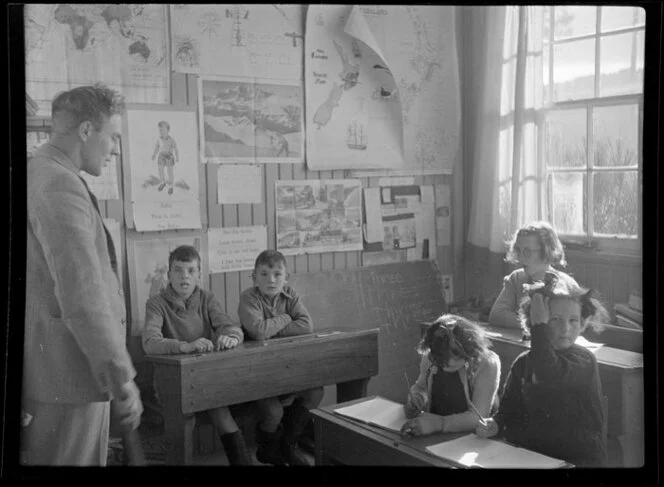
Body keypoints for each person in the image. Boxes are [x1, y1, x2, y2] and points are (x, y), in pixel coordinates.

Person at [23, 84, 143, 465]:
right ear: (87, 131)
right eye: (114, 138)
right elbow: (82, 294)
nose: (115, 150)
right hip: (69, 377)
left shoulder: (41, 170)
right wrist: (119, 376)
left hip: (57, 374)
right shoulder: (59, 183)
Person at [476, 272, 609, 467]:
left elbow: (549, 372)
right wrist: (494, 424)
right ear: (531, 324)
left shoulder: (584, 360)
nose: (565, 328)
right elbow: (507, 410)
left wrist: (541, 326)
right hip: (533, 457)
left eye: (573, 320)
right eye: (555, 320)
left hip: (577, 460)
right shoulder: (523, 363)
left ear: (582, 324)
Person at [142, 245, 251, 465]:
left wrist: (231, 337)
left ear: (199, 275)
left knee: (221, 412)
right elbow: (150, 343)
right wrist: (185, 346)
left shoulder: (206, 298)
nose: (184, 276)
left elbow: (230, 326)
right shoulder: (156, 304)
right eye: (178, 270)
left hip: (204, 378)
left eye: (191, 271)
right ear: (169, 274)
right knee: (185, 420)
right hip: (170, 382)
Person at [238, 250, 324, 466]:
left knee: (316, 391)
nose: (271, 280)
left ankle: (289, 444)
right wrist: (286, 318)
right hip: (257, 372)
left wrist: (273, 328)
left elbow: (307, 325)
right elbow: (257, 331)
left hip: (288, 368)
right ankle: (267, 451)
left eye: (277, 274)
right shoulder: (249, 297)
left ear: (286, 277)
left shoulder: (290, 295)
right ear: (254, 277)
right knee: (274, 410)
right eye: (264, 274)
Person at [400, 315, 501, 437]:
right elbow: (421, 387)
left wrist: (440, 424)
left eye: (454, 355)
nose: (446, 364)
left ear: (469, 349)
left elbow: (477, 417)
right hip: (435, 433)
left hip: (473, 438)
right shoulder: (431, 355)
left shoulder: (487, 363)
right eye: (440, 359)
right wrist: (417, 398)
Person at [489, 220, 574, 330]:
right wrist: (535, 323)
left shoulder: (566, 285)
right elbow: (497, 315)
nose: (521, 257)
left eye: (527, 252)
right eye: (518, 250)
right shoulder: (515, 279)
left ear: (546, 251)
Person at [151, 120, 179, 195]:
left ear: (168, 130)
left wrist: (177, 157)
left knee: (170, 172)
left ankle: (171, 187)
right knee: (160, 170)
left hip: (169, 156)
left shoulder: (171, 140)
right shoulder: (159, 139)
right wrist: (154, 154)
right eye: (160, 130)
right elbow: (157, 147)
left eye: (163, 130)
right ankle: (162, 183)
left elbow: (176, 148)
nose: (161, 131)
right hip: (161, 156)